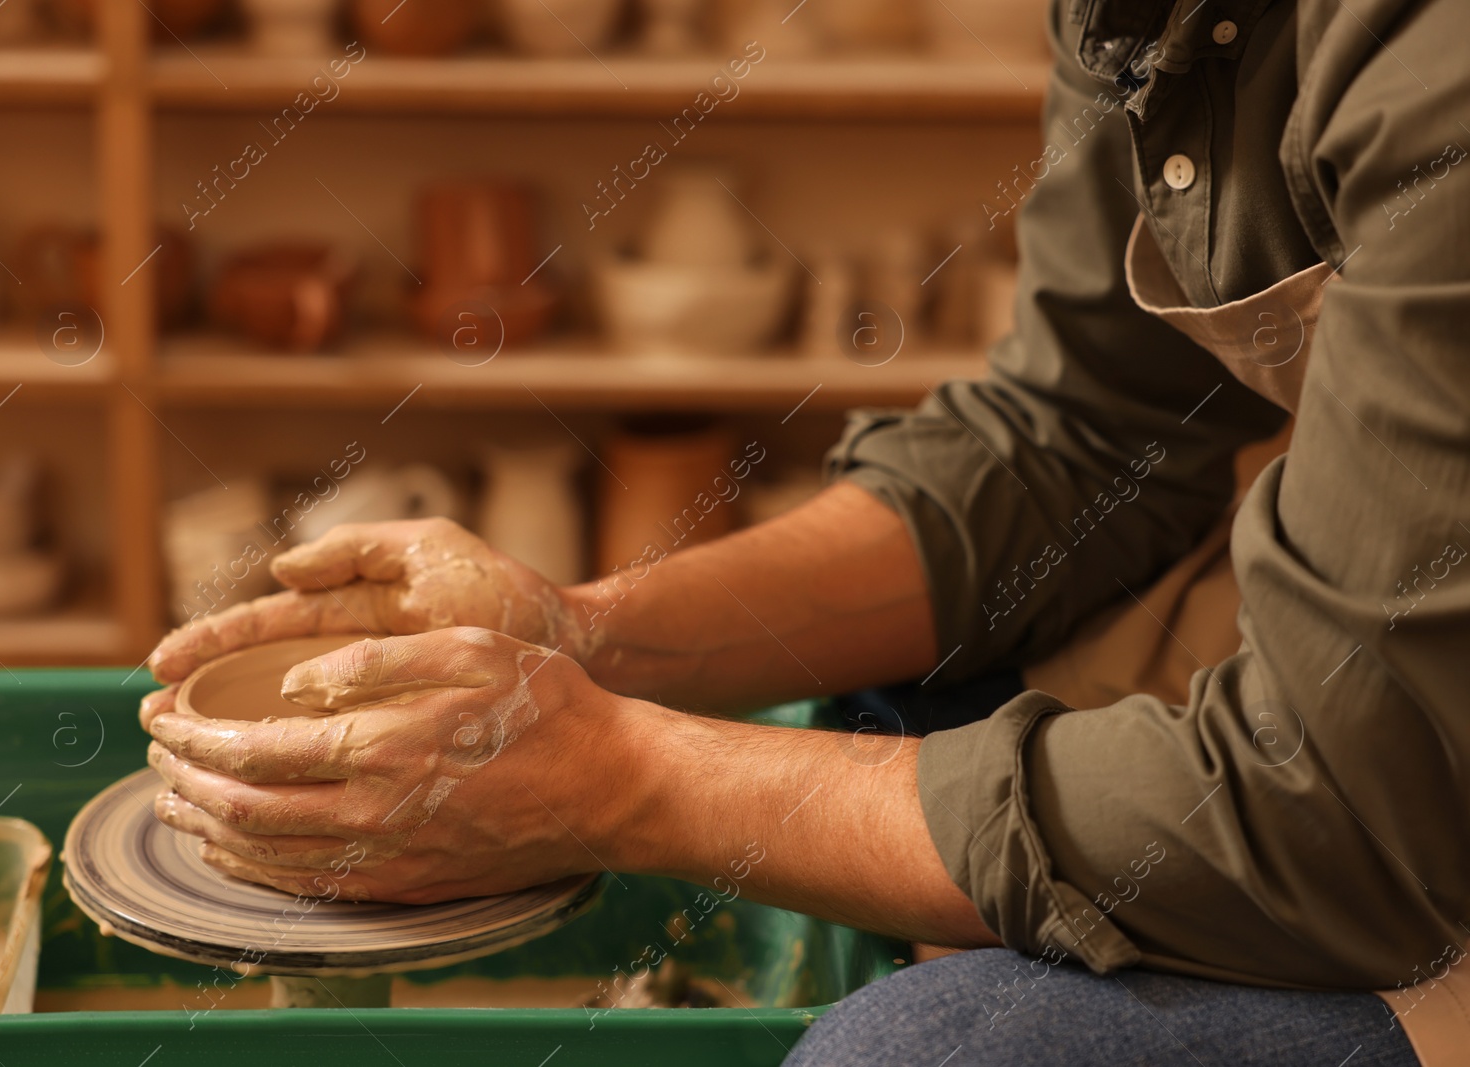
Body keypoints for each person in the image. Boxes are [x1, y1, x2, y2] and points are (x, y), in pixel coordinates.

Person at [139, 0, 1468, 1061]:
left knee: (926, 1056)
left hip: (1397, 832)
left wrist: (615, 780)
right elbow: (1085, 434)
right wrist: (585, 636)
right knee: (890, 700)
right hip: (1368, 722)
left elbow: (1337, 812)